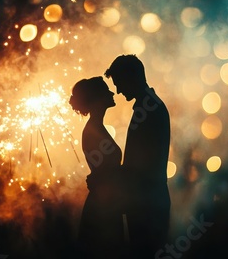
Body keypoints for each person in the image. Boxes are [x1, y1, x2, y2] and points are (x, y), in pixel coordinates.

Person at [104, 54, 171, 258]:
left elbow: (142, 164)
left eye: (119, 83)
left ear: (132, 77)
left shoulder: (149, 110)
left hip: (146, 204)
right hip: (149, 201)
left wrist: (109, 178)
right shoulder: (150, 106)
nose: (118, 90)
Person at [69, 76, 127, 259]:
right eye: (106, 90)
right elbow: (105, 173)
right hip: (104, 206)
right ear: (97, 98)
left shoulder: (96, 127)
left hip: (105, 203)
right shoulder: (93, 130)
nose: (112, 92)